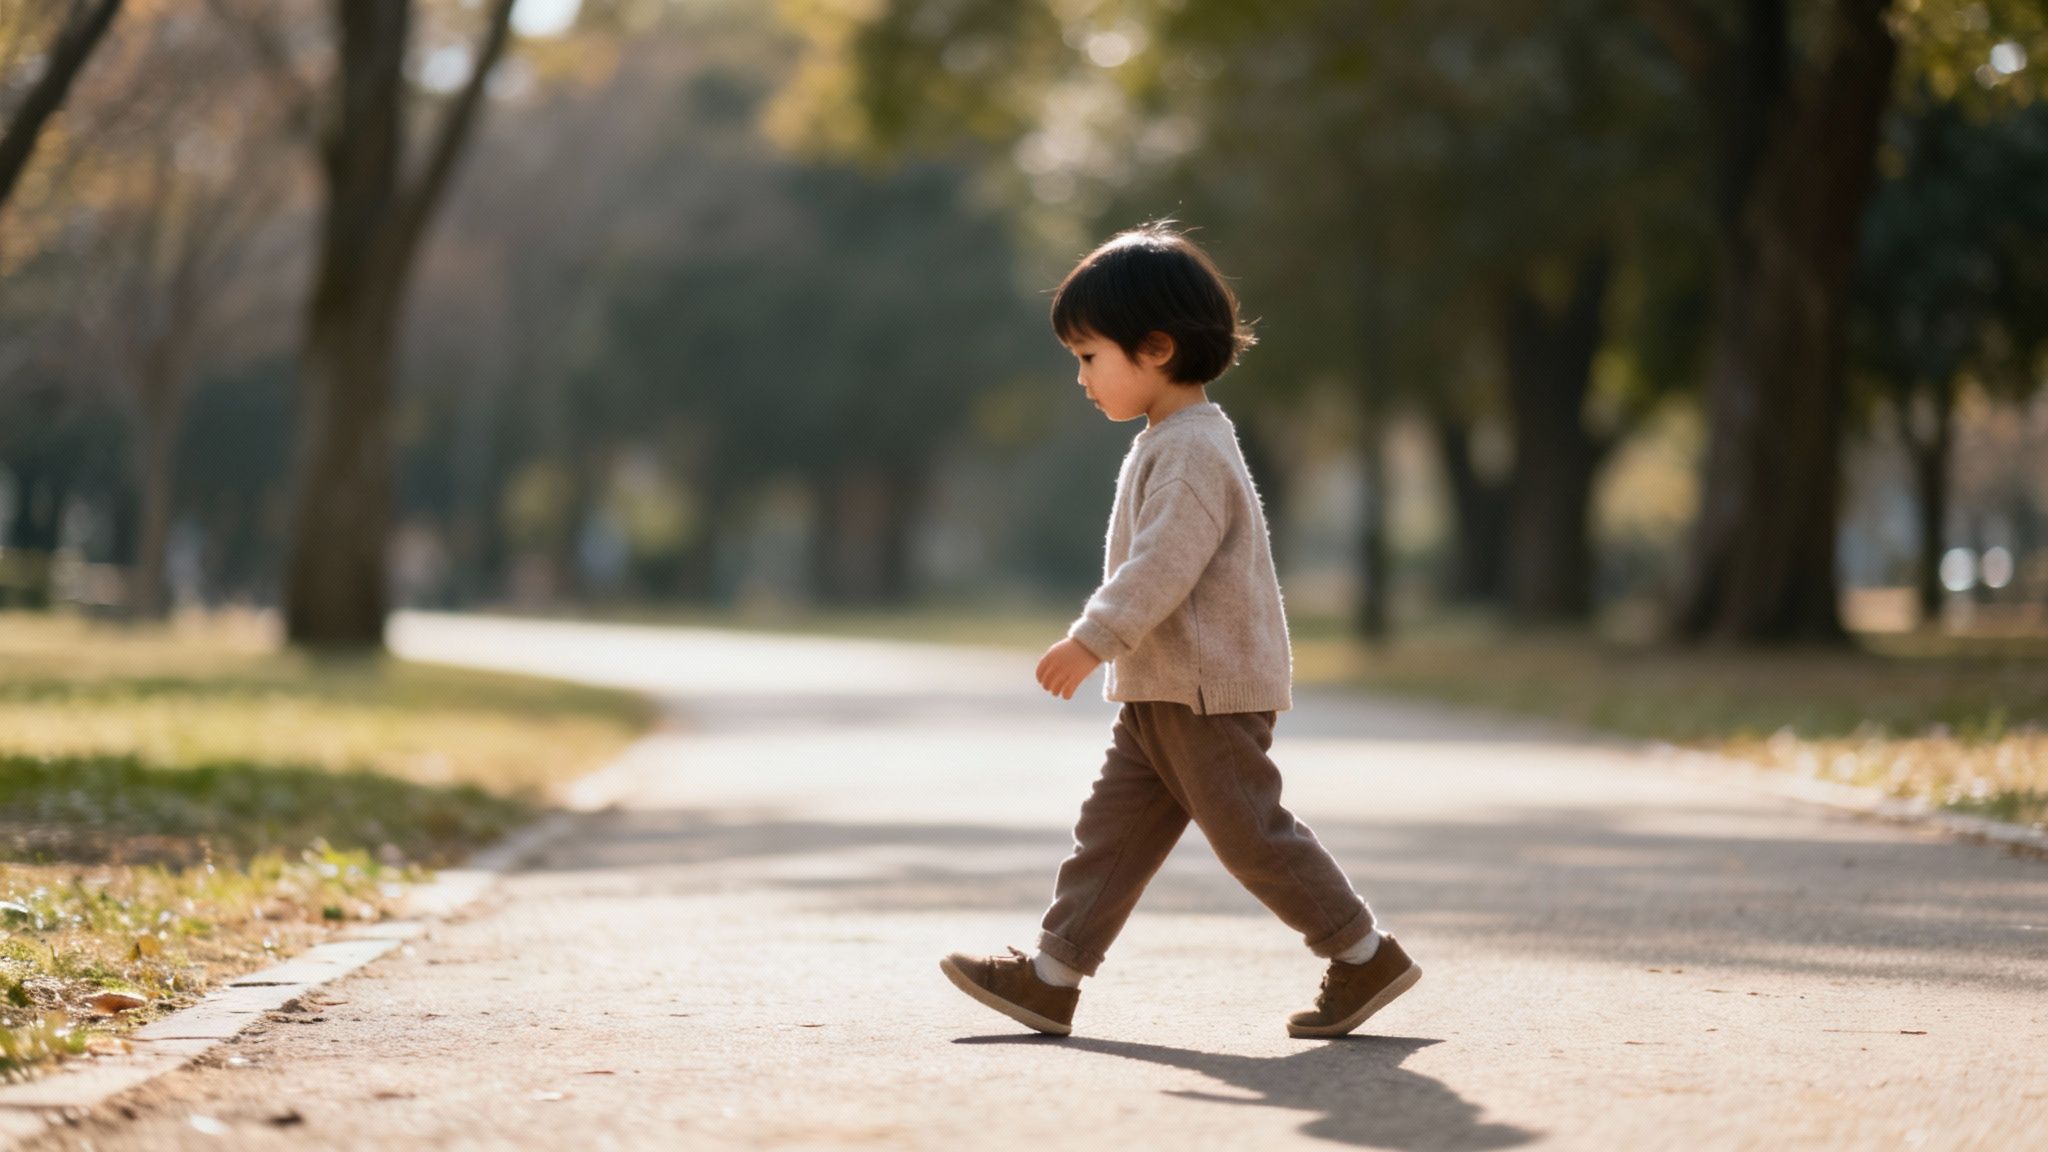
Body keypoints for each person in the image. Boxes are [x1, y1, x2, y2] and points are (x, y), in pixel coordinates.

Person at [939, 223, 1421, 1038]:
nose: (1082, 377)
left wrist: (1093, 638)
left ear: (1155, 348)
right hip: (1164, 691)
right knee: (1111, 835)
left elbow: (1164, 565)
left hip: (1205, 696)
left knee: (1252, 839)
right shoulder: (1168, 441)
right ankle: (1053, 977)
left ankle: (1363, 952)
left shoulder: (1194, 449)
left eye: (1090, 357)